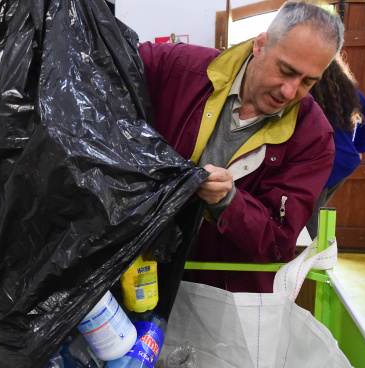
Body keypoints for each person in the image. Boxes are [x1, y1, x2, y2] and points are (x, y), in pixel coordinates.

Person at [138, 1, 343, 292]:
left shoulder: (313, 138)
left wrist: (228, 201)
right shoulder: (179, 68)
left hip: (220, 291)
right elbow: (109, 57)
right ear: (260, 45)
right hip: (141, 271)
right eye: (285, 70)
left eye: (308, 82)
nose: (289, 91)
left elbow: (278, 240)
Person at [305, 56, 365, 239]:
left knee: (311, 217)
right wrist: (359, 148)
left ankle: (320, 255)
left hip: (323, 160)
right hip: (346, 158)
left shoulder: (305, 86)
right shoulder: (341, 85)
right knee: (315, 212)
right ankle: (318, 253)